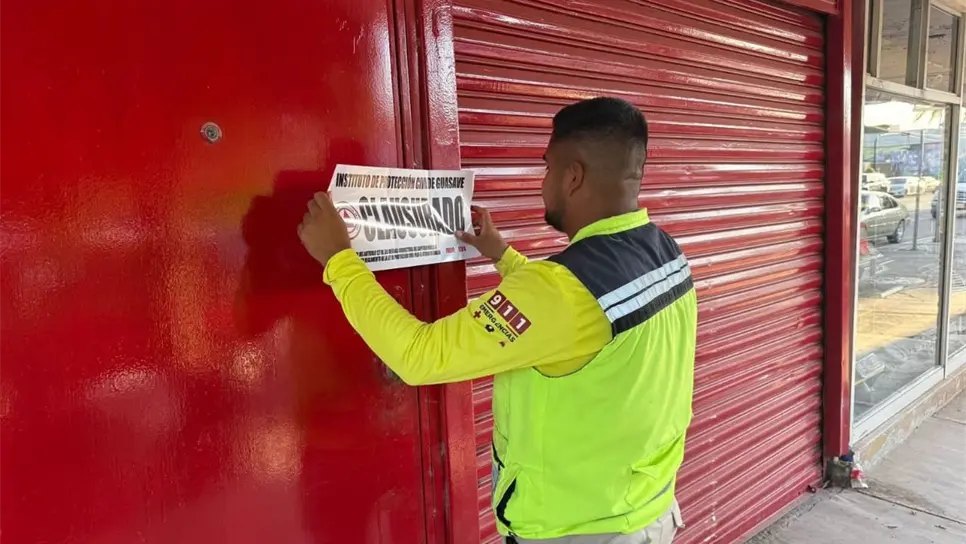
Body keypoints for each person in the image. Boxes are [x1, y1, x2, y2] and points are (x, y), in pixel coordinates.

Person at [298, 97, 697, 544]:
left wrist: (340, 260)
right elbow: (580, 316)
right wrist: (504, 257)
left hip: (578, 532)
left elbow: (418, 356)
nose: (544, 182)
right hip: (648, 513)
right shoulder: (663, 252)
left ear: (573, 176)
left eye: (548, 168)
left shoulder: (560, 291)